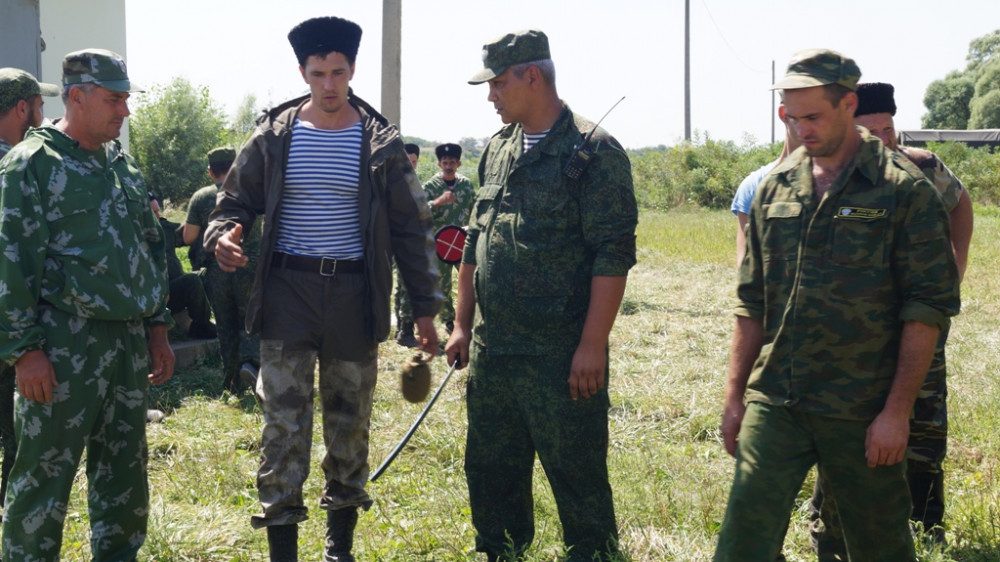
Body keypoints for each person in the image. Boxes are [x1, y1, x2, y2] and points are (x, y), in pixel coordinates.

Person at [202, 16, 442, 561]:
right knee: (282, 428)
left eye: (339, 72)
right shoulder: (273, 135)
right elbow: (232, 203)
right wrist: (222, 237)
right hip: (288, 293)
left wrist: (426, 307)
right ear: (303, 73)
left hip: (354, 299)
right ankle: (283, 550)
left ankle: (340, 549)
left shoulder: (380, 142)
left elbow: (412, 228)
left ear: (352, 70)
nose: (329, 85)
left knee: (348, 423)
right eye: (318, 74)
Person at [714, 49, 960, 561]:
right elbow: (751, 300)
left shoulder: (903, 190)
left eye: (814, 116)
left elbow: (926, 309)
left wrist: (896, 413)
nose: (801, 129)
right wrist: (735, 396)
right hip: (777, 397)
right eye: (791, 116)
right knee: (742, 541)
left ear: (849, 104)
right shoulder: (774, 188)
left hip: (861, 406)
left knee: (878, 546)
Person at [445, 29, 638, 561]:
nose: (491, 95)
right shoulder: (498, 150)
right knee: (490, 473)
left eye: (498, 83)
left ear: (533, 76)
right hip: (493, 350)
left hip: (559, 354)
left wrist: (592, 344)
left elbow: (612, 254)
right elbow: (474, 241)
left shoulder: (593, 152)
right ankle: (500, 552)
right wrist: (463, 324)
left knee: (577, 479)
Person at [0, 48, 175, 561]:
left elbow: (150, 247)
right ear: (76, 98)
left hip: (125, 345)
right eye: (114, 99)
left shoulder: (122, 165)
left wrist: (157, 328)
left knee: (124, 478)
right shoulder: (30, 165)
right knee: (42, 480)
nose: (125, 111)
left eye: (125, 98)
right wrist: (23, 350)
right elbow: (9, 262)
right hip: (61, 347)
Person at [808, 81, 974, 556]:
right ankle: (830, 518)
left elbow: (961, 206)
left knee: (924, 423)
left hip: (919, 319)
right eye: (871, 130)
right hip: (854, 331)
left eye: (889, 129)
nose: (884, 140)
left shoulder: (921, 165)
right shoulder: (832, 173)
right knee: (847, 424)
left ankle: (927, 524)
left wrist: (953, 272)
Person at [0, 66, 59, 522]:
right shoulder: (19, 169)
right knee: (19, 441)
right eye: (40, 107)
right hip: (11, 333)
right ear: (23, 108)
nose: (43, 117)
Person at [185, 146, 261, 392]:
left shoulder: (201, 197)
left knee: (225, 322)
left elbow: (188, 237)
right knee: (250, 319)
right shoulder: (252, 192)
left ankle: (231, 380)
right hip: (249, 266)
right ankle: (251, 365)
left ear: (210, 172)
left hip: (217, 269)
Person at [732, 110, 801, 265]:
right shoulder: (755, 186)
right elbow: (746, 267)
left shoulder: (845, 183)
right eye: (806, 115)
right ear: (784, 114)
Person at [423, 143, 476, 334]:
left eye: (452, 162)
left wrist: (472, 225)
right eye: (444, 162)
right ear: (438, 164)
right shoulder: (430, 186)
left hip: (463, 242)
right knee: (442, 284)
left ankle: (470, 320)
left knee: (471, 282)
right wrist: (437, 202)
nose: (448, 166)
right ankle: (449, 322)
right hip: (441, 244)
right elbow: (417, 212)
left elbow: (476, 210)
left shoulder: (466, 185)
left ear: (458, 163)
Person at [151, 196, 217, 339]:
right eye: (153, 212)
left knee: (209, 272)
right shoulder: (134, 236)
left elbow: (190, 234)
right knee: (192, 281)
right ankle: (202, 326)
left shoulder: (164, 229)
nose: (158, 216)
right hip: (159, 297)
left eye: (158, 211)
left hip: (178, 288)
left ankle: (204, 319)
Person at [394, 142, 422, 347]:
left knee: (403, 287)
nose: (410, 166)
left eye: (413, 162)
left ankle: (401, 330)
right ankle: (406, 331)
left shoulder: (414, 182)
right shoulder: (394, 183)